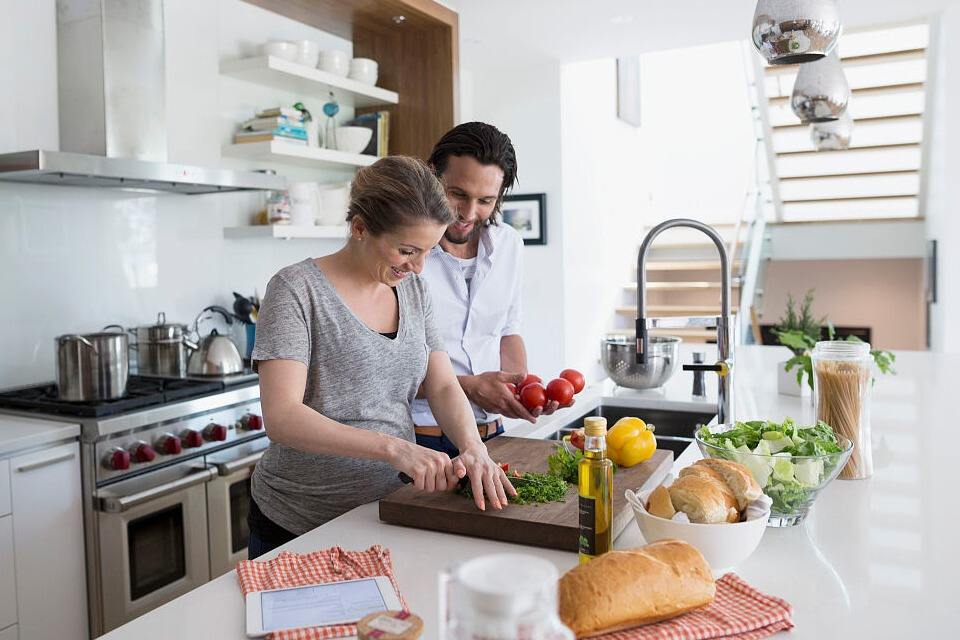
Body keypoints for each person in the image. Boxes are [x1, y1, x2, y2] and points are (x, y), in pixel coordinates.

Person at [247, 156, 515, 559]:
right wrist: (394, 448)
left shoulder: (413, 291)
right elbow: (282, 417)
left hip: (387, 510)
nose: (418, 266)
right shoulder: (296, 290)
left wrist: (473, 447)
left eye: (427, 251)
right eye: (407, 250)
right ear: (359, 228)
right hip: (299, 520)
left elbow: (442, 384)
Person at [411, 122, 565, 458]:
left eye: (485, 200)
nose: (468, 213)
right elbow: (387, 368)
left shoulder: (509, 244)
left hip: (492, 436)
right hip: (420, 439)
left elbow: (507, 330)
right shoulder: (405, 253)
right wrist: (471, 388)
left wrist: (520, 388)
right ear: (433, 176)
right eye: (458, 194)